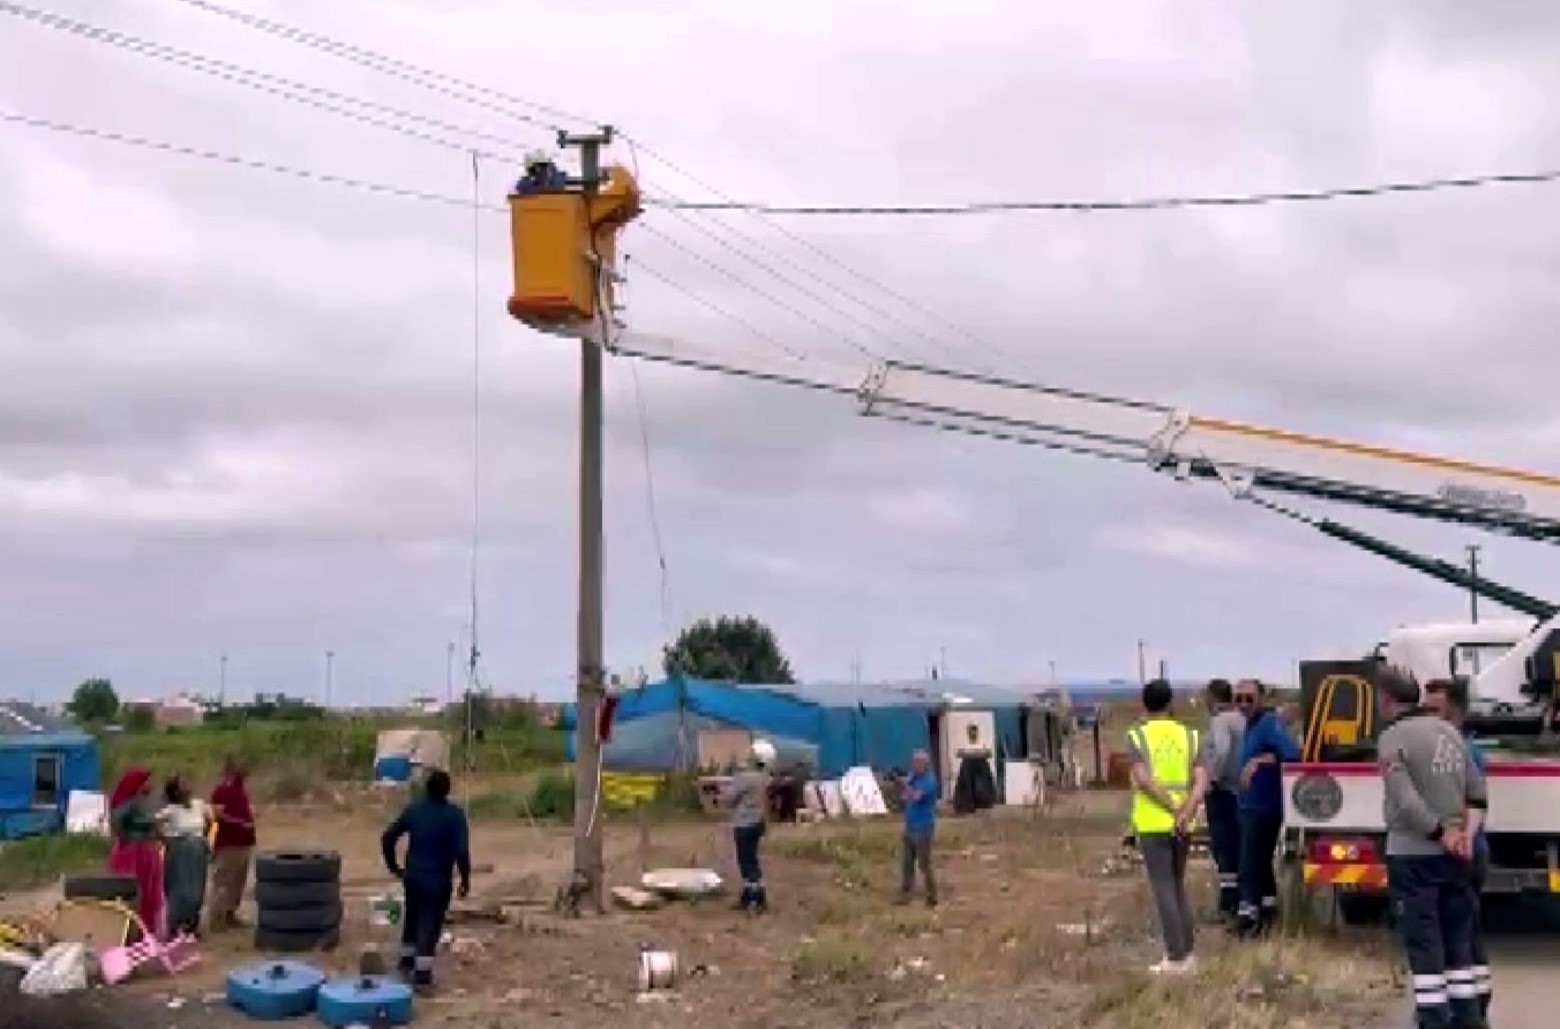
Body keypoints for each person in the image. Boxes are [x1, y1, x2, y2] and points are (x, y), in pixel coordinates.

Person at [1376, 666, 1487, 1029]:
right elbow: (1476, 793)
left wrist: (1440, 834)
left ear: (1387, 699)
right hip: (1457, 858)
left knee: (1425, 946)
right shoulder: (1451, 733)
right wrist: (1464, 836)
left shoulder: (1392, 739)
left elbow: (1405, 803)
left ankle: (1433, 1020)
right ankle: (1468, 1019)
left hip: (1413, 857)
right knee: (1458, 944)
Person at [1126, 678, 1208, 974]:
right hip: (1184, 823)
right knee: (1176, 885)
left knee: (1163, 887)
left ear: (1144, 703)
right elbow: (1201, 780)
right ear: (1171, 703)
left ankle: (1176, 957)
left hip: (1153, 821)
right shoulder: (1191, 736)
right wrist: (1186, 810)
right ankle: (1187, 953)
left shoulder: (1136, 736)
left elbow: (1144, 780)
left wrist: (1174, 809)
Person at [1428, 678, 1493, 1020]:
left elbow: (1471, 802)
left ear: (1453, 710)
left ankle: (1466, 1010)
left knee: (1455, 934)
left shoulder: (1459, 751)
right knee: (1466, 928)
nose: (1426, 716)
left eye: (1433, 709)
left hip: (1461, 851)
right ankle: (1476, 1002)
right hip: (1467, 849)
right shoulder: (1460, 748)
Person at [381, 768, 471, 991]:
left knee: (412, 917)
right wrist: (465, 878)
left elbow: (388, 836)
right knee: (430, 924)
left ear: (426, 789)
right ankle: (422, 975)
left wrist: (393, 866)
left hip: (412, 877)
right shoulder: (454, 815)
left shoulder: (414, 810)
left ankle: (405, 963)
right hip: (437, 879)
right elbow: (461, 850)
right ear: (447, 790)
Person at [1233, 679, 1301, 937]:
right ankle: (1268, 911)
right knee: (1259, 862)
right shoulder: (1251, 725)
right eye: (1238, 699)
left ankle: (1248, 918)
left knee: (1250, 863)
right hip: (1250, 804)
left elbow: (1292, 754)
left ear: (1260, 698)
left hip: (1264, 806)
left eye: (1249, 698)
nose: (1243, 704)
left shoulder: (1268, 724)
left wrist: (1261, 760)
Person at [1198, 678, 1246, 924]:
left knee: (1223, 846)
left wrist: (1212, 778)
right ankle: (1243, 899)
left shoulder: (1220, 721)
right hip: (1242, 792)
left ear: (1213, 697)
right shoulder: (1242, 718)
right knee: (1239, 846)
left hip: (1224, 791)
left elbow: (1223, 749)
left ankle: (1229, 902)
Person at [107, 767, 166, 939]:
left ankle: (143, 933)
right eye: (146, 782)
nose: (150, 785)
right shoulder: (127, 804)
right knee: (135, 893)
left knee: (148, 893)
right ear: (137, 784)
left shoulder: (140, 802)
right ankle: (132, 933)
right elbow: (119, 825)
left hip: (143, 852)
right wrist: (139, 833)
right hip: (134, 854)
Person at [158, 775, 213, 937]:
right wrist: (165, 840)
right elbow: (154, 824)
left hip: (197, 853)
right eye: (183, 784)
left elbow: (210, 820)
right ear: (175, 791)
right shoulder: (171, 810)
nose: (188, 785)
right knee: (179, 890)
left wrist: (203, 838)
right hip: (179, 853)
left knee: (196, 890)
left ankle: (191, 925)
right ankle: (174, 926)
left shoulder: (199, 805)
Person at [724, 739, 774, 914]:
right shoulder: (764, 777)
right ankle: (755, 897)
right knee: (752, 859)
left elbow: (729, 798)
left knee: (746, 862)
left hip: (744, 824)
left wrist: (722, 792)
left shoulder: (745, 777)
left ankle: (753, 899)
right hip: (758, 823)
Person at [209, 755, 256, 931]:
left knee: (237, 882)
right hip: (228, 843)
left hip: (243, 842)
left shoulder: (239, 789)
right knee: (223, 882)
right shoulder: (221, 790)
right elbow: (217, 814)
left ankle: (230, 914)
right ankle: (216, 919)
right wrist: (239, 823)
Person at [896, 748, 939, 908]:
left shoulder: (929, 781)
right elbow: (905, 796)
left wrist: (906, 787)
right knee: (907, 863)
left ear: (924, 764)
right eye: (913, 762)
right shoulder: (913, 777)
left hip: (923, 828)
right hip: (910, 826)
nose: (913, 765)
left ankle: (932, 896)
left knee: (924, 863)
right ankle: (905, 894)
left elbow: (916, 796)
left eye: (917, 762)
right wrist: (902, 783)